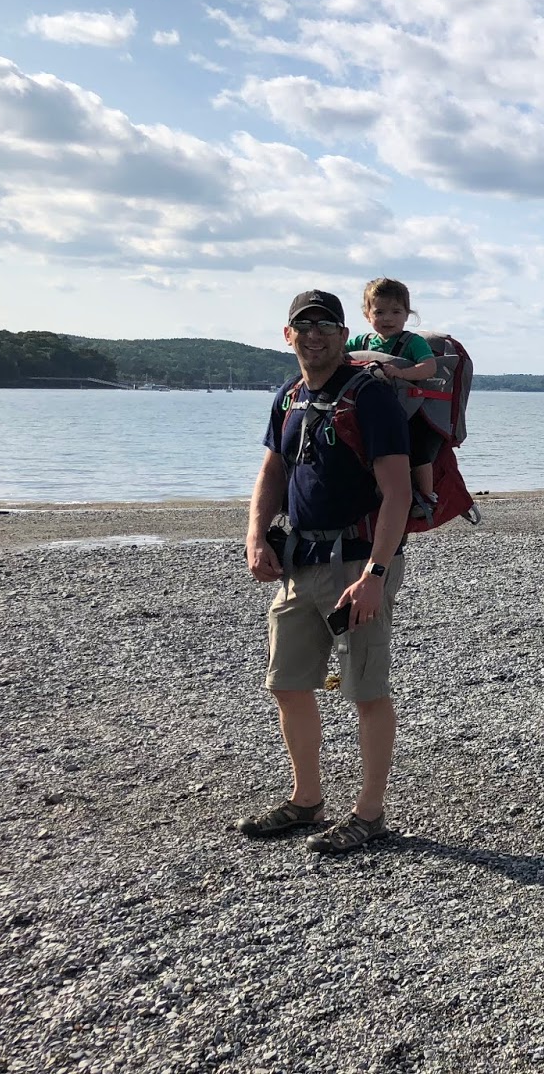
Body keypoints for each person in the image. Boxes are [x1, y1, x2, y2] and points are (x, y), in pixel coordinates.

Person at [240, 290, 413, 856]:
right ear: (287, 334)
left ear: (343, 334)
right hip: (300, 562)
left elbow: (397, 491)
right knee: (287, 683)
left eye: (325, 325)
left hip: (358, 562)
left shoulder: (370, 396)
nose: (313, 335)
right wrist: (255, 535)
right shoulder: (289, 396)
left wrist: (376, 574)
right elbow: (272, 469)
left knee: (366, 689)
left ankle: (369, 813)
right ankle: (307, 799)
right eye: (303, 325)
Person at [348, 277, 442, 514]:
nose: (387, 318)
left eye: (396, 311)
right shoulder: (361, 342)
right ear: (367, 314)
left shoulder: (412, 342)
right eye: (379, 312)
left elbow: (429, 367)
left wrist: (402, 373)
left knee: (417, 446)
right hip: (368, 410)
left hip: (407, 410)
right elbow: (337, 355)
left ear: (407, 314)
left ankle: (426, 495)